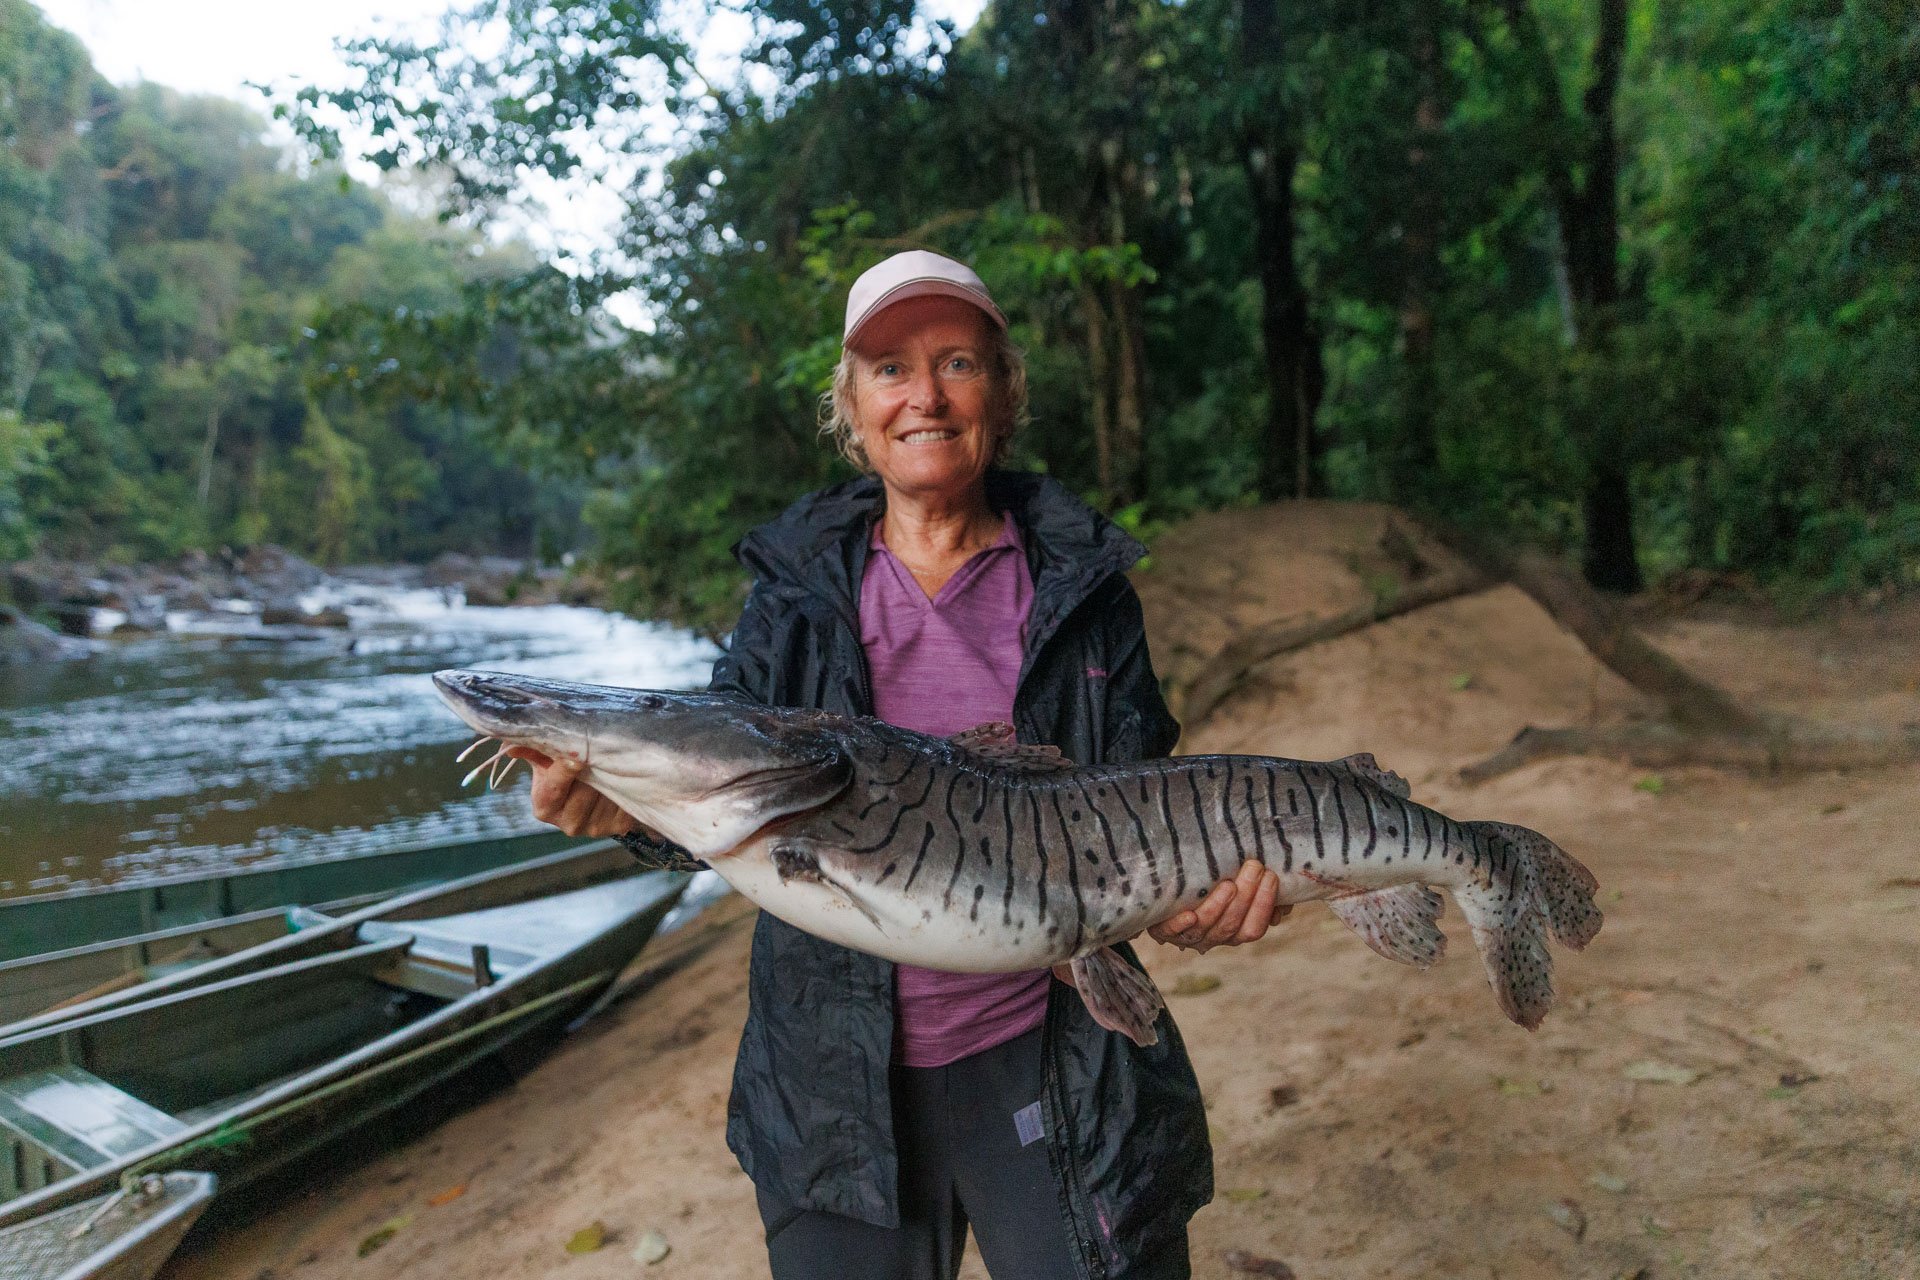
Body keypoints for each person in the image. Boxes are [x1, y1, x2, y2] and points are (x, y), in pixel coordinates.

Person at [509, 250, 1291, 1280]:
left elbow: (1141, 815)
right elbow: (724, 783)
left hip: (1058, 1056)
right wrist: (623, 813)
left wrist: (1201, 902)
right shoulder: (791, 594)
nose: (924, 394)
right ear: (854, 406)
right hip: (833, 1083)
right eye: (889, 368)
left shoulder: (1087, 588)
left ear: (1004, 391)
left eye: (957, 360)